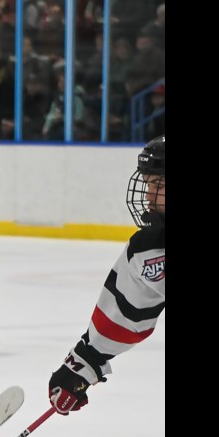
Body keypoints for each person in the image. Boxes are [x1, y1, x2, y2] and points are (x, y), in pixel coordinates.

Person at [48, 136, 165, 415]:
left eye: (158, 185)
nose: (148, 196)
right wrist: (82, 364)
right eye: (148, 184)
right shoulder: (148, 249)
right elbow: (127, 314)